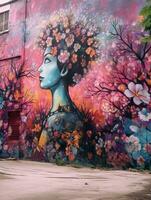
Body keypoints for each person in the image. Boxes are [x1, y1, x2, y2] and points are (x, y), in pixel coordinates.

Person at [34, 11, 99, 162]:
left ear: (64, 69)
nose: (40, 68)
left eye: (47, 61)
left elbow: (39, 154)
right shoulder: (70, 112)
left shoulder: (57, 119)